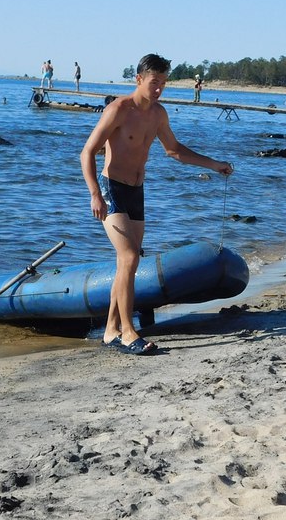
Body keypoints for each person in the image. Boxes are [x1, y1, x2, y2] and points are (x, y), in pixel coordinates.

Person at [80, 53, 234, 355]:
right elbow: (87, 152)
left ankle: (111, 330)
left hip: (137, 191)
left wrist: (214, 164)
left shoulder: (158, 114)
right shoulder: (119, 110)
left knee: (128, 261)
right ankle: (128, 332)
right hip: (112, 189)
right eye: (154, 82)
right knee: (129, 259)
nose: (159, 89)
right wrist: (95, 193)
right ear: (139, 80)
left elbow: (174, 150)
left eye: (164, 83)